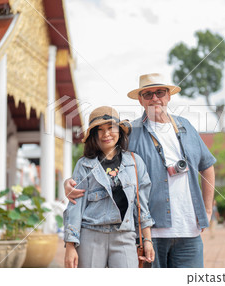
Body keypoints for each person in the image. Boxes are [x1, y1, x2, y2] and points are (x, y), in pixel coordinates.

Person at [65, 73, 216, 268]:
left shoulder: (186, 126)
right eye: (148, 94)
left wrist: (207, 209)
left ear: (169, 95)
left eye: (160, 92)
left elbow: (207, 166)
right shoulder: (131, 132)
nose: (155, 98)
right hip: (153, 232)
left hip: (190, 230)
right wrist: (70, 182)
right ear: (140, 100)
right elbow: (105, 161)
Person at [63, 106, 155, 268]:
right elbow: (75, 207)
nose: (106, 134)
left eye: (111, 128)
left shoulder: (135, 162)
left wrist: (147, 240)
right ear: (94, 135)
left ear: (119, 131)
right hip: (91, 236)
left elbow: (142, 207)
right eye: (100, 130)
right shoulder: (84, 165)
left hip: (124, 236)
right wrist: (70, 246)